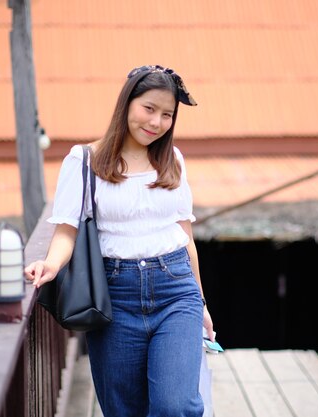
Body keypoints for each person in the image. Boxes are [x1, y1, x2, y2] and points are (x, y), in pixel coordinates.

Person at [24, 65, 214, 417]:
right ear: (127, 103)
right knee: (123, 410)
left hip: (175, 290)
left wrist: (200, 301)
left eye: (167, 114)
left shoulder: (172, 160)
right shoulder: (85, 161)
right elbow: (67, 230)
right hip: (115, 297)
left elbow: (186, 237)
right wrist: (50, 264)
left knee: (175, 406)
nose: (156, 122)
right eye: (149, 109)